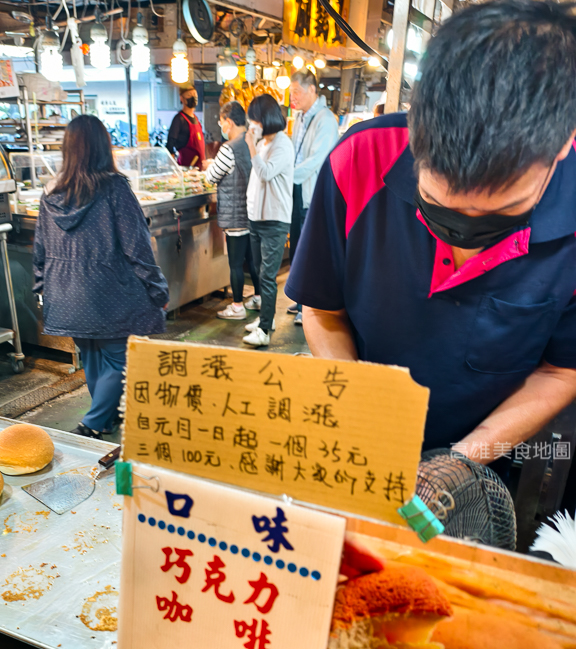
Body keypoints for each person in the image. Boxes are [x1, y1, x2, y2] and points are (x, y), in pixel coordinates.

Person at [286, 0, 576, 462]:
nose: (460, 232)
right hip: (364, 446)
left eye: (503, 210)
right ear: (415, 127)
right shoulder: (357, 160)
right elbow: (323, 312)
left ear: (563, 144)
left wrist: (459, 463)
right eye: (438, 203)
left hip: (494, 457)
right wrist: (358, 414)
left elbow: (561, 370)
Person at [33, 115, 169, 439]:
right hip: (108, 293)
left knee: (93, 358)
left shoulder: (50, 193)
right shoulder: (114, 188)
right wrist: (157, 289)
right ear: (103, 147)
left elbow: (40, 248)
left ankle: (105, 419)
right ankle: (92, 423)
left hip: (64, 293)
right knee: (124, 361)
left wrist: (41, 288)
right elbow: (137, 246)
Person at [287, 69, 339, 326]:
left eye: (296, 91)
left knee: (310, 251)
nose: (293, 97)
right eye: (291, 92)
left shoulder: (325, 119)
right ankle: (299, 301)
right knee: (297, 246)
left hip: (312, 191)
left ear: (312, 90)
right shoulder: (299, 117)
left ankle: (307, 308)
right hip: (297, 187)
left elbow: (318, 159)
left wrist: (288, 176)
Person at [242, 94, 295, 348]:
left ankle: (264, 331)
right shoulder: (265, 143)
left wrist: (251, 146)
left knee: (267, 276)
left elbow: (265, 173)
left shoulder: (283, 145)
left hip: (274, 219)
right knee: (258, 271)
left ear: (266, 119)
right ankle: (267, 318)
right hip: (257, 217)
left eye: (255, 119)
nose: (252, 124)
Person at [204, 101, 261, 320]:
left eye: (221, 122)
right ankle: (258, 298)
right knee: (252, 260)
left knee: (236, 263)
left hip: (236, 214)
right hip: (252, 212)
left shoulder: (229, 148)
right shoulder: (253, 142)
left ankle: (237, 307)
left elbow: (211, 177)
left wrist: (209, 166)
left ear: (228, 121)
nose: (221, 126)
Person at [166, 85, 206, 170]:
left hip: (200, 168)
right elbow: (170, 143)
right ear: (181, 98)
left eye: (194, 94)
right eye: (189, 95)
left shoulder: (196, 118)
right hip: (187, 168)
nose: (193, 97)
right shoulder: (179, 119)